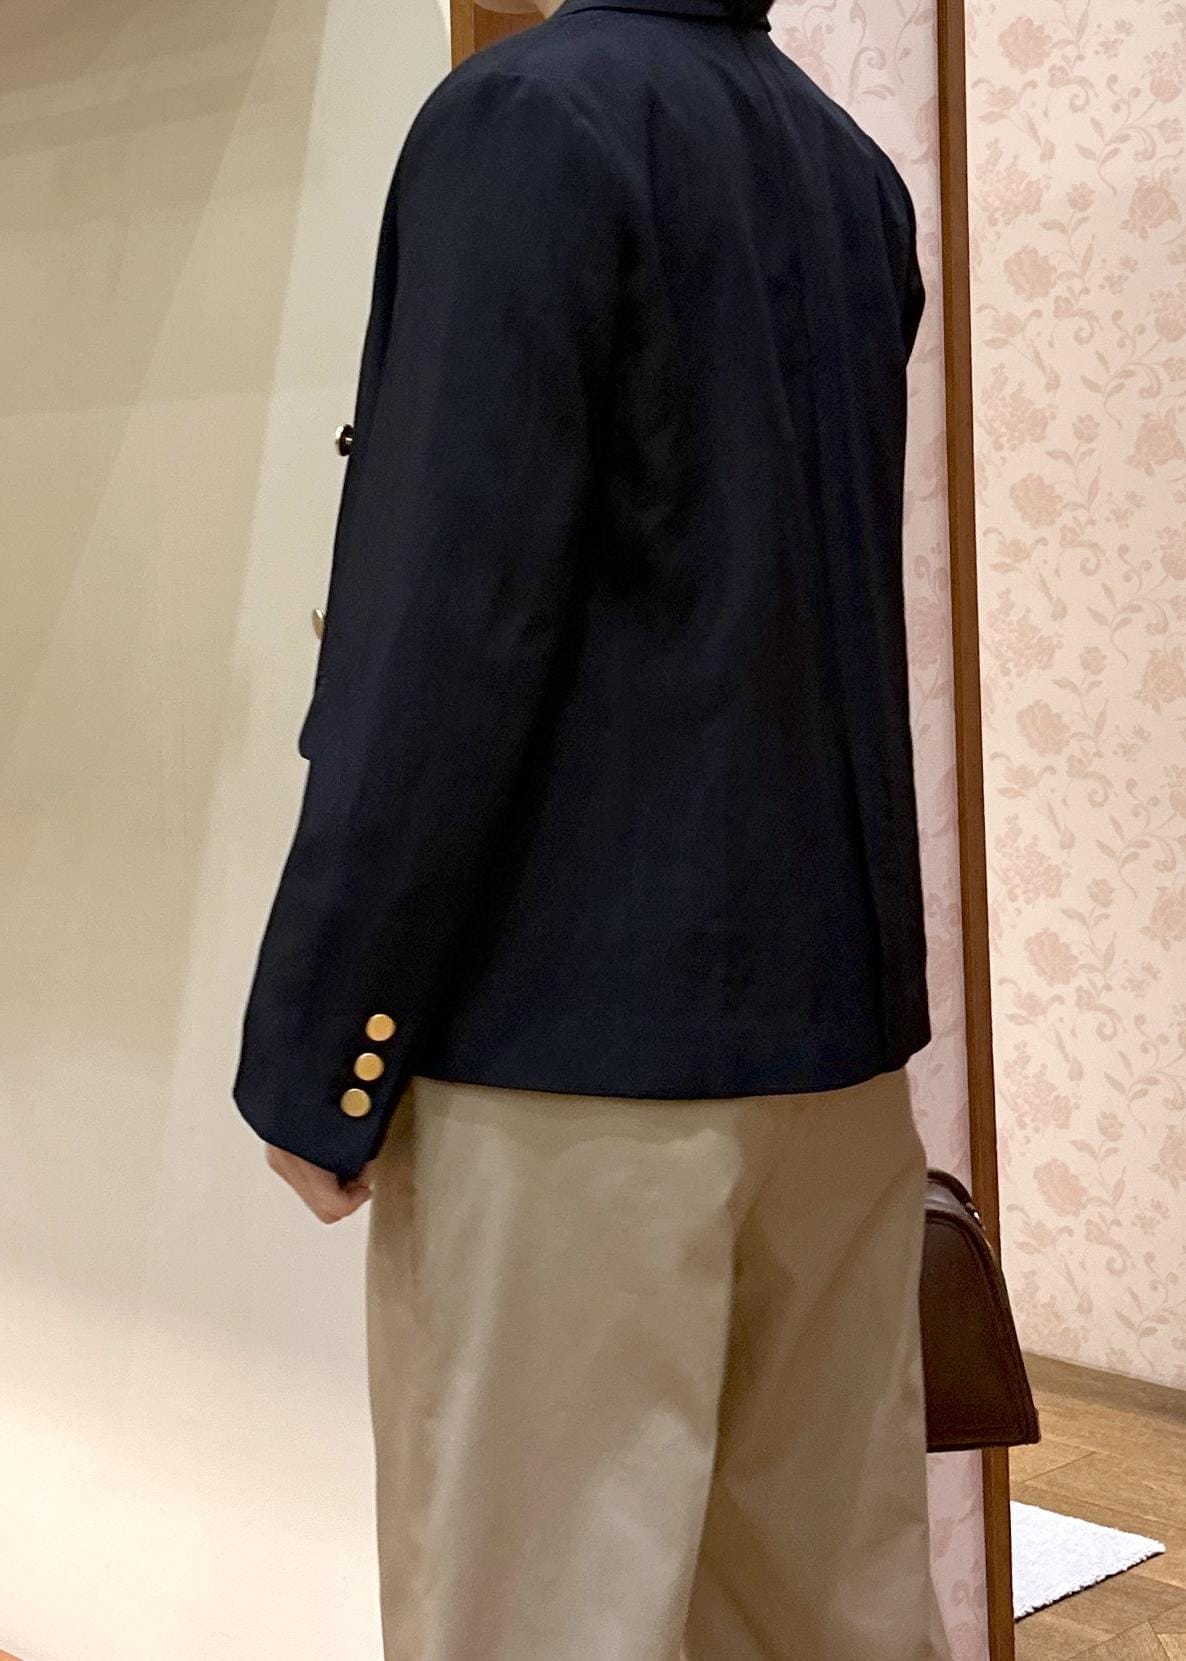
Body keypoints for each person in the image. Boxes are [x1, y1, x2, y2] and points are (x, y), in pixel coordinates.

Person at [233, 0, 950, 1653]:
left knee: (538, 1616)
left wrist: (327, 1045)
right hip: (837, 1064)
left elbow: (449, 617)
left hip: (573, 1073)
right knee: (826, 1609)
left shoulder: (524, 123)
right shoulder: (850, 172)